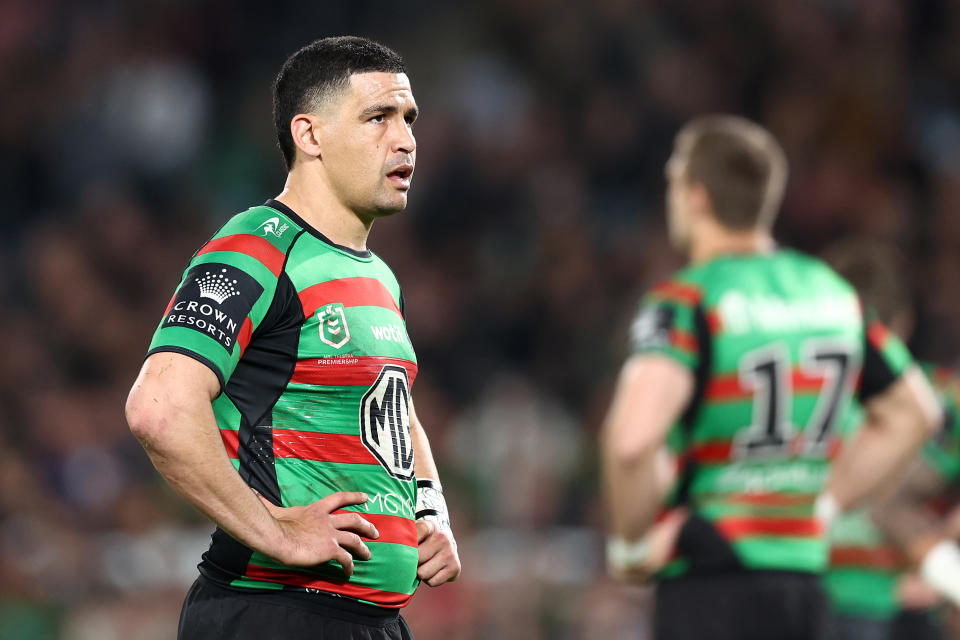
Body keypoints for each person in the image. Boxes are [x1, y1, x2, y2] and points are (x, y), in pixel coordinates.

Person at [125, 36, 460, 640]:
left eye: (409, 119)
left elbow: (390, 409)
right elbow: (159, 407)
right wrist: (277, 532)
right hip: (275, 613)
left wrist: (429, 511)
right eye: (377, 117)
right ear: (310, 136)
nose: (406, 139)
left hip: (373, 620)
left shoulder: (377, 275)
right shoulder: (256, 247)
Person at [600, 115, 940, 640]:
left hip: (711, 577)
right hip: (805, 586)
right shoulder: (831, 295)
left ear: (696, 196)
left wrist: (631, 544)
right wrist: (823, 505)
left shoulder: (686, 301)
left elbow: (632, 440)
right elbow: (915, 413)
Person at [823, 239, 960, 640]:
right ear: (902, 324)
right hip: (895, 601)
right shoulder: (939, 395)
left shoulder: (801, 401)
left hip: (810, 598)